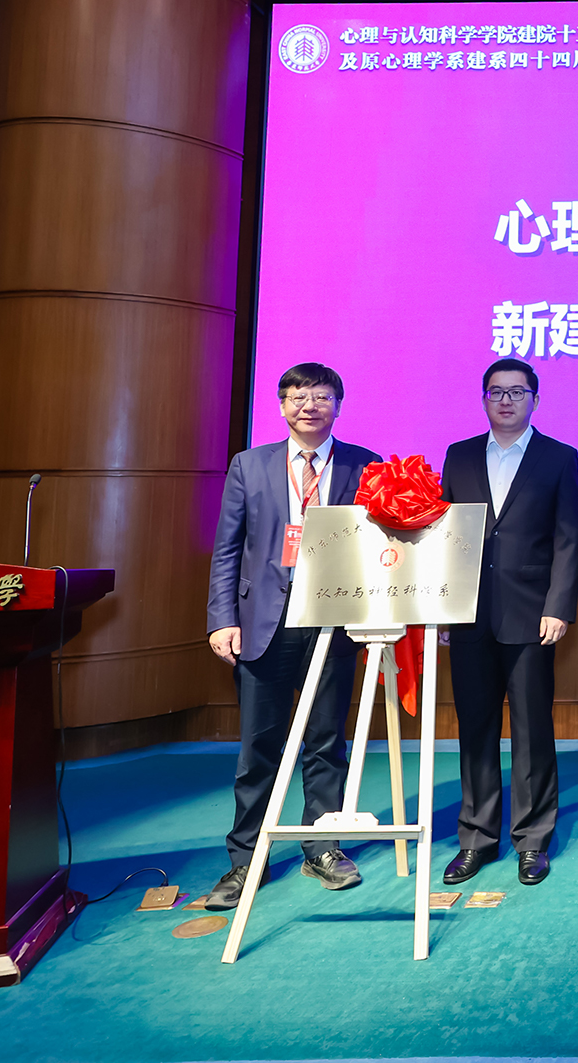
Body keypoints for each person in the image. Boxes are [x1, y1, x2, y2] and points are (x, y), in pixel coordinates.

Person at [203, 362, 381, 910]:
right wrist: (221, 617)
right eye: (298, 396)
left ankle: (321, 847)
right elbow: (227, 548)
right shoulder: (249, 464)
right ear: (282, 406)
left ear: (338, 406)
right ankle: (246, 859)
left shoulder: (365, 464)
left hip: (334, 621)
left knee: (326, 741)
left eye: (321, 397)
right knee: (259, 745)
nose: (309, 406)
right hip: (263, 622)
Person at [439, 359, 578, 887]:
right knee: (475, 728)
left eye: (517, 392)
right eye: (496, 392)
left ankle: (532, 839)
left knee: (531, 728)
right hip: (470, 614)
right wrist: (444, 605)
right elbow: (445, 535)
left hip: (531, 613)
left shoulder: (559, 456)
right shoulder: (458, 455)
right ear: (483, 399)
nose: (506, 401)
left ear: (535, 401)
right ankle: (476, 837)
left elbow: (568, 537)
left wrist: (558, 606)